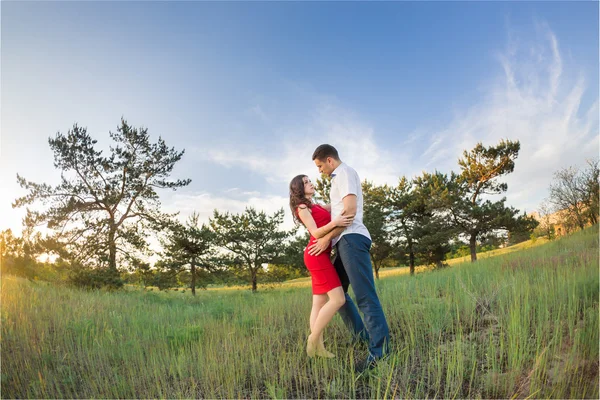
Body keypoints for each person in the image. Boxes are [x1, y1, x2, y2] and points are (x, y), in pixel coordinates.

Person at [308, 144, 390, 372]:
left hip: (352, 238)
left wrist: (326, 239)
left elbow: (350, 211)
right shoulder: (337, 180)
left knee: (365, 296)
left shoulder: (343, 173)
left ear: (330, 160)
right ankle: (361, 336)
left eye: (320, 165)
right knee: (338, 293)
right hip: (344, 241)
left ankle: (380, 351)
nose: (319, 171)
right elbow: (335, 209)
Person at [289, 174, 354, 358]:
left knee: (318, 302)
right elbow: (315, 232)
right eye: (306, 182)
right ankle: (312, 339)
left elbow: (336, 205)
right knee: (338, 299)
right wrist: (335, 223)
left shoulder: (314, 205)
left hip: (319, 254)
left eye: (310, 180)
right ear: (299, 189)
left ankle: (319, 348)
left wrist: (348, 193)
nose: (311, 183)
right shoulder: (301, 208)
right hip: (316, 255)